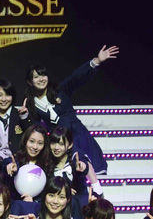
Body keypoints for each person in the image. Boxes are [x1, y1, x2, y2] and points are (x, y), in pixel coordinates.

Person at [24, 45, 118, 176]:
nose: (41, 79)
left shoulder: (60, 90)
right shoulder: (31, 103)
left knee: (90, 163)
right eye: (36, 77)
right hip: (59, 141)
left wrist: (96, 61)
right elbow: (36, 127)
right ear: (30, 82)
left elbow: (76, 78)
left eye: (43, 75)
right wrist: (24, 117)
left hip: (77, 133)